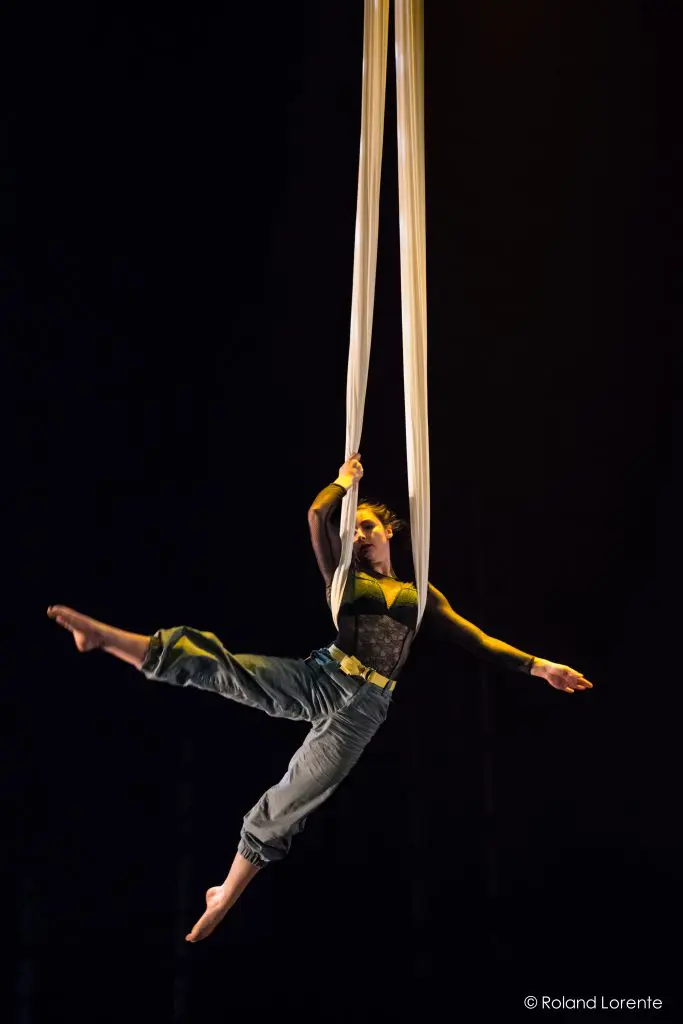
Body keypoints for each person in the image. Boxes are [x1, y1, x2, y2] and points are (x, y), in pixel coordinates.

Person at [47, 452, 592, 942]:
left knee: (293, 797)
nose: (359, 535)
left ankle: (226, 892)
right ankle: (106, 637)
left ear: (390, 532)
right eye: (354, 528)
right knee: (224, 667)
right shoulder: (344, 576)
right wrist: (341, 483)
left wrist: (541, 668)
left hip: (363, 714)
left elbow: (479, 641)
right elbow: (315, 518)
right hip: (322, 677)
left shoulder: (420, 595)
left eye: (368, 526)